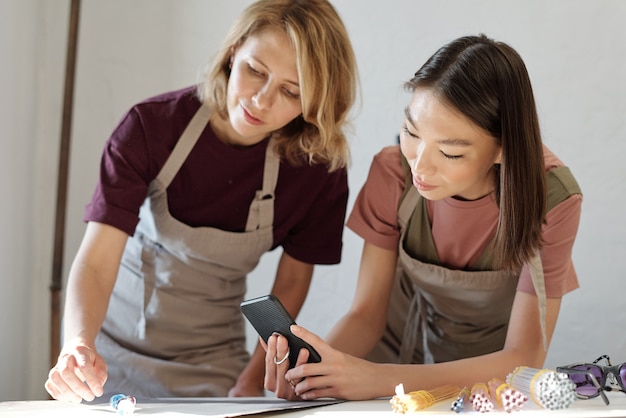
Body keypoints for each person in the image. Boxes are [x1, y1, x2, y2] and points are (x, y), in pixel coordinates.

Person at [45, 0, 358, 402]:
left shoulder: (317, 170)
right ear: (234, 50)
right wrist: (78, 343)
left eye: (290, 91)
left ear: (314, 101)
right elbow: (97, 259)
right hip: (104, 351)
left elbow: (292, 281)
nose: (261, 100)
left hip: (211, 361)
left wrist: (251, 378)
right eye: (255, 70)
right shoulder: (151, 127)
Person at [264, 34, 582, 401]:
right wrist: (312, 372)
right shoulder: (393, 171)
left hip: (489, 375)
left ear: (502, 149)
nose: (420, 165)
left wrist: (375, 379)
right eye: (412, 133)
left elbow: (525, 356)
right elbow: (366, 315)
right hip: (392, 353)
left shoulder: (552, 198)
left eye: (450, 153)